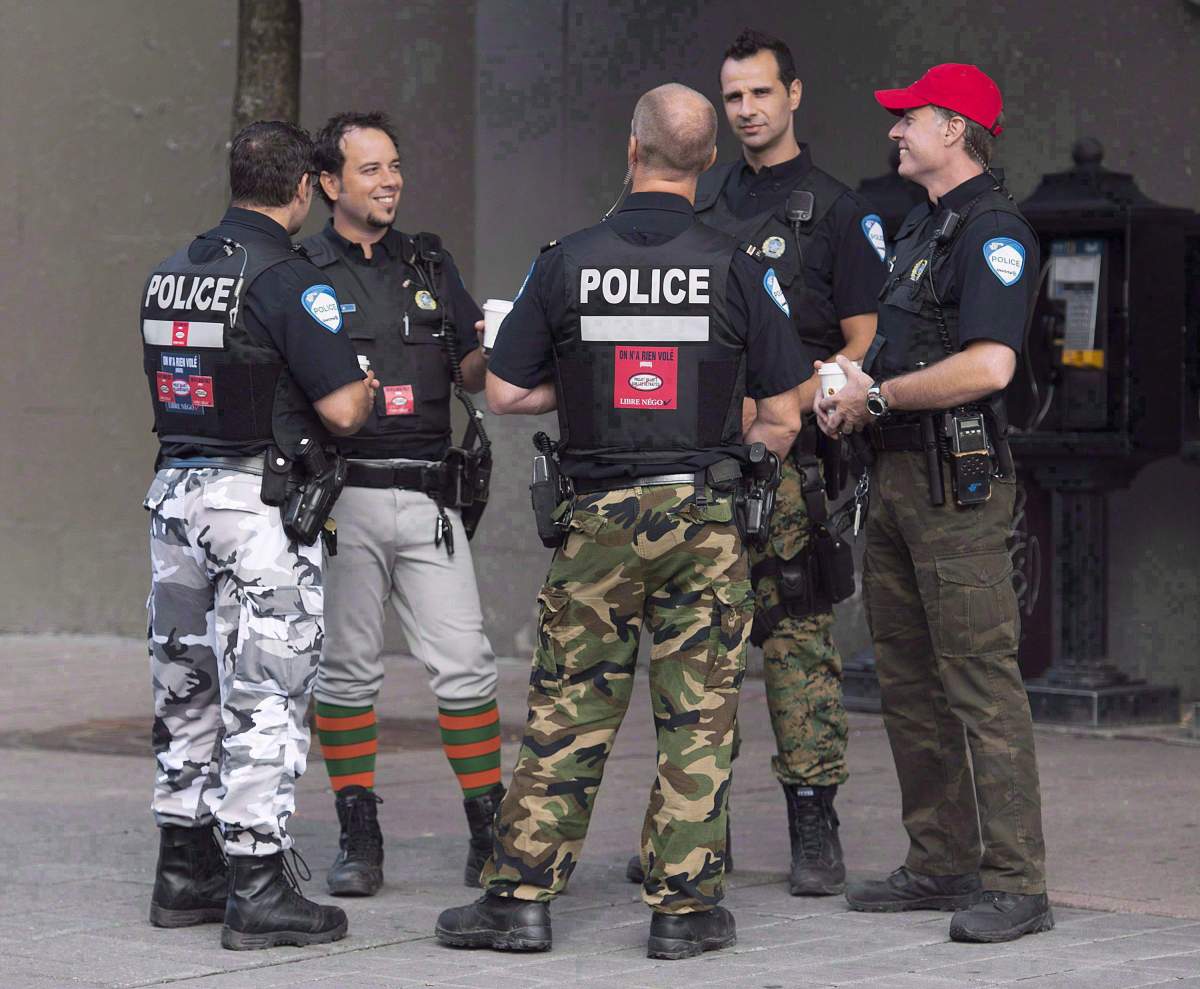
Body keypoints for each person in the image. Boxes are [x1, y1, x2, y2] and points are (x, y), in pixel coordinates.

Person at [434, 83, 804, 959]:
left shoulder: (566, 259)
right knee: (700, 713)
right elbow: (785, 413)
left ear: (630, 151)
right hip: (705, 514)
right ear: (708, 160)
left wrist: (599, 384)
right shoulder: (739, 263)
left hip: (597, 518)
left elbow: (508, 388)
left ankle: (519, 900)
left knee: (568, 706)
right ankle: (682, 912)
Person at [626, 29, 887, 896]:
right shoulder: (705, 200)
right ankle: (701, 827)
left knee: (800, 645)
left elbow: (864, 337)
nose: (746, 110)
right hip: (704, 462)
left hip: (794, 468)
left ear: (794, 95)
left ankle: (814, 824)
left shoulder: (838, 209)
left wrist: (793, 390)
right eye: (732, 97)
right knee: (698, 648)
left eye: (760, 94)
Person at [816, 63, 1052, 943]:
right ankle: (940, 861)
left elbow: (990, 367)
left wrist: (878, 397)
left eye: (907, 117)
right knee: (910, 683)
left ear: (955, 128)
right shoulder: (924, 225)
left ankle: (1018, 883)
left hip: (957, 486)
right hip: (896, 478)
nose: (894, 131)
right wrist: (851, 390)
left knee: (980, 681)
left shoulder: (994, 231)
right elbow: (905, 356)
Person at [142, 121, 376, 949]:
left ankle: (183, 868)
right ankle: (257, 882)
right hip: (255, 502)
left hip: (174, 494)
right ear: (306, 187)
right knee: (268, 686)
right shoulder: (286, 277)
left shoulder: (172, 273)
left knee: (186, 682)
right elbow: (344, 406)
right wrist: (366, 389)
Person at [300, 111, 502, 898]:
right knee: (346, 673)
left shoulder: (427, 260)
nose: (390, 182)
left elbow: (472, 372)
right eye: (370, 169)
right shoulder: (302, 270)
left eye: (394, 166)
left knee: (467, 666)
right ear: (328, 183)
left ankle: (488, 830)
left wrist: (503, 340)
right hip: (344, 498)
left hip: (429, 494)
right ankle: (359, 832)